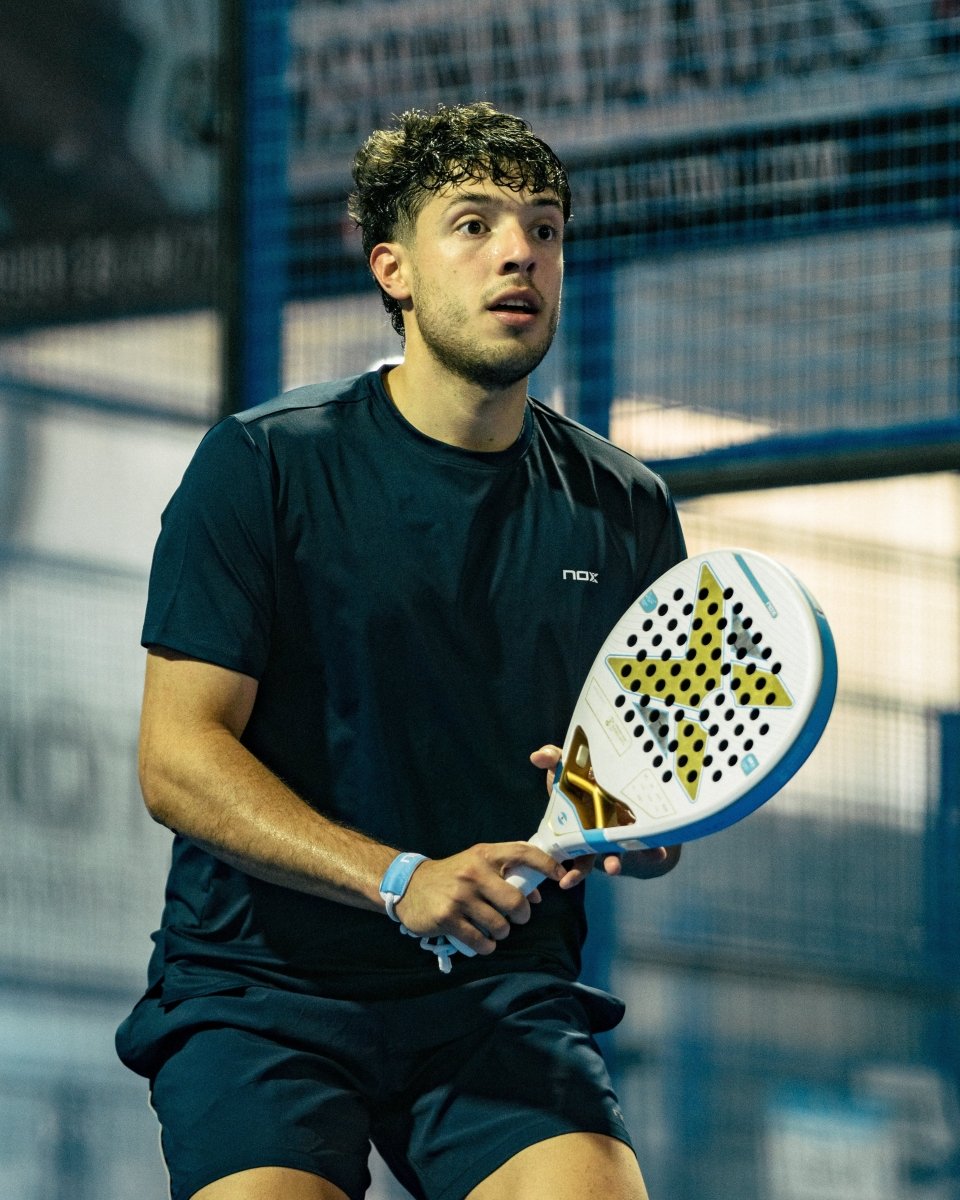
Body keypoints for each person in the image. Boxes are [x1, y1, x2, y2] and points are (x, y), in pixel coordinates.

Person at [116, 101, 685, 1200]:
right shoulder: (260, 468)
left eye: (545, 227)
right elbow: (176, 758)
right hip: (260, 990)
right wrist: (396, 879)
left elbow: (648, 794)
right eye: (473, 224)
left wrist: (643, 827)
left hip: (498, 995)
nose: (520, 250)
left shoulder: (626, 510)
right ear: (395, 271)